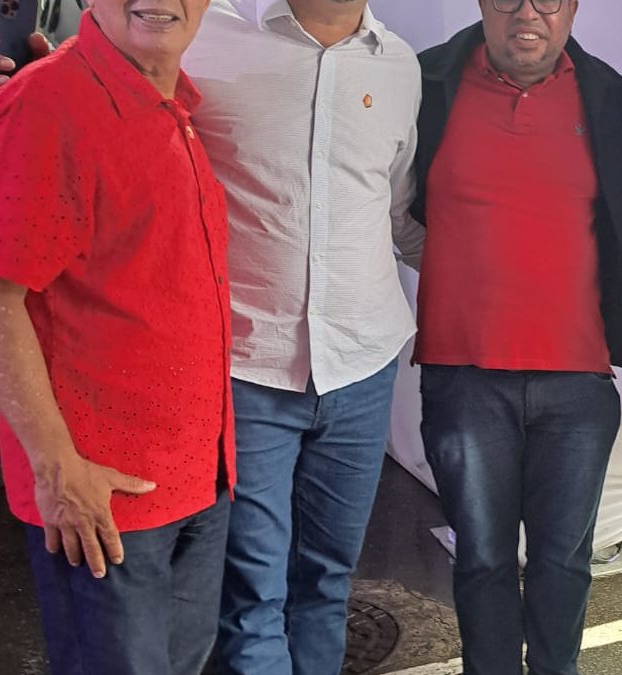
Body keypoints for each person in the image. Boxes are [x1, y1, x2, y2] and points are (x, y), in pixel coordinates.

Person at [176, 0, 423, 672]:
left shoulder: (398, 65)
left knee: (327, 581)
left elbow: (395, 208)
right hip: (246, 366)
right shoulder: (207, 39)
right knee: (251, 595)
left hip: (361, 364)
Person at [0, 0, 233, 672]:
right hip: (102, 500)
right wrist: (57, 469)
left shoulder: (174, 101)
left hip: (198, 479)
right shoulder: (47, 103)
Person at [409, 0, 622, 672]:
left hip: (577, 380)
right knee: (481, 559)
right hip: (463, 376)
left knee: (563, 563)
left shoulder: (609, 96)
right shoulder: (425, 83)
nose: (527, 13)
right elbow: (394, 204)